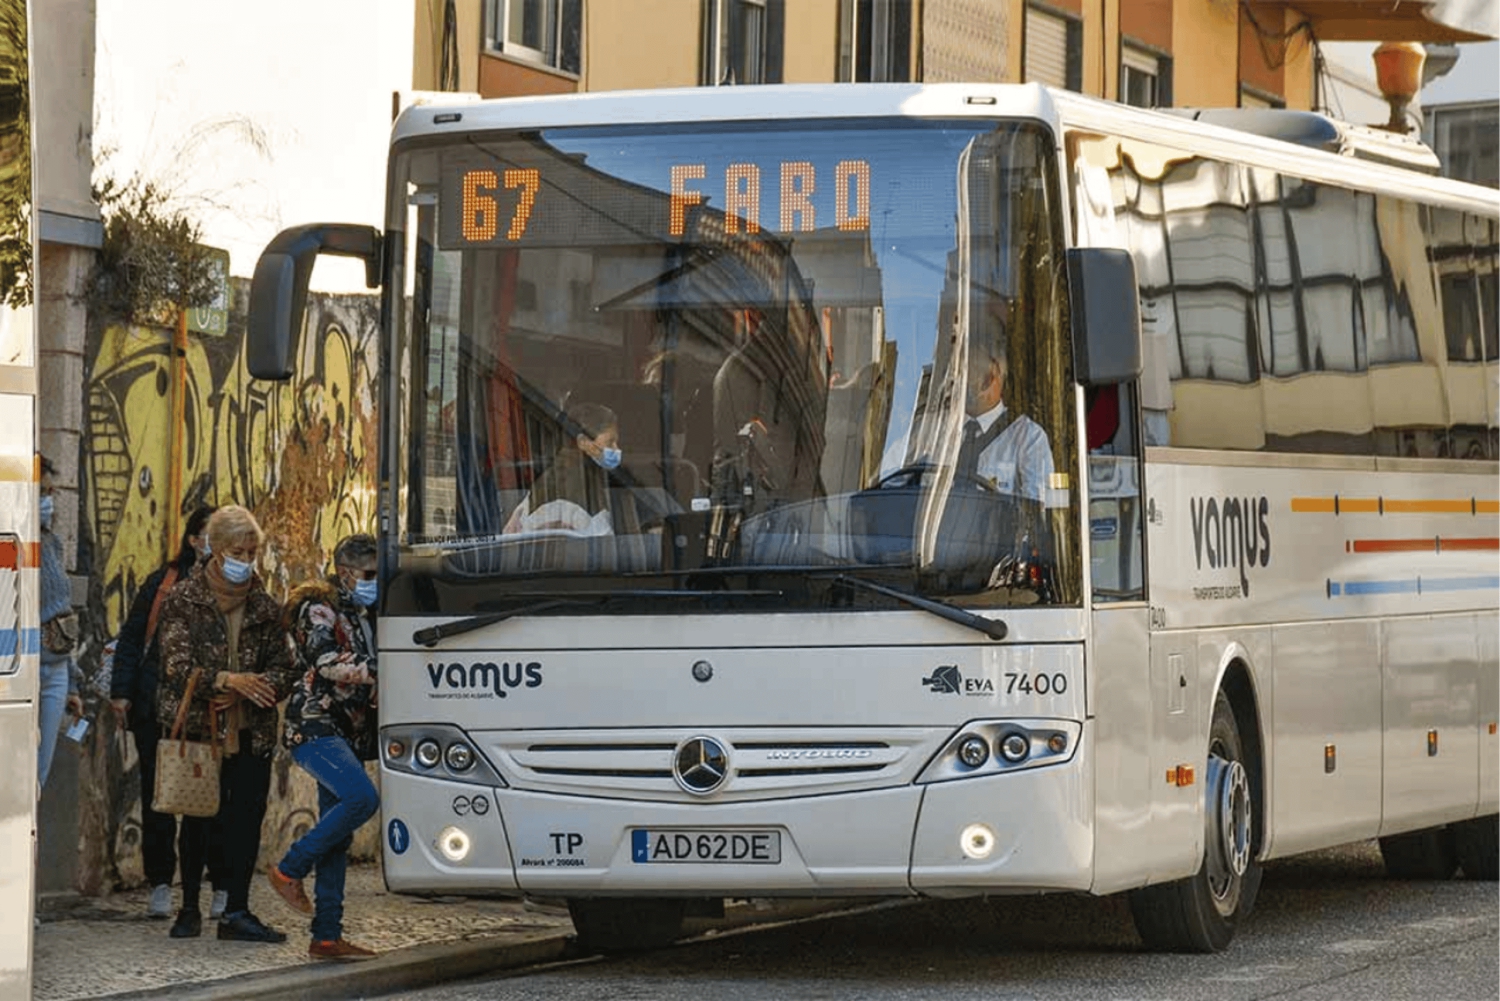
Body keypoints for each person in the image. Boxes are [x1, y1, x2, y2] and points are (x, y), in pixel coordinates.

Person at [155, 505, 294, 942]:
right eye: (238, 552)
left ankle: (237, 909)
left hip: (251, 730)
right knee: (197, 819)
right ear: (215, 549)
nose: (246, 560)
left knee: (245, 820)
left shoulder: (264, 605)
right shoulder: (184, 599)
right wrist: (225, 680)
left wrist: (255, 687)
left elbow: (285, 668)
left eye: (252, 552)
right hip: (202, 729)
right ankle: (189, 907)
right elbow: (175, 665)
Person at [109, 506, 228, 921]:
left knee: (208, 800)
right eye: (210, 534)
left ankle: (212, 883)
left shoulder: (233, 587)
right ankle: (160, 881)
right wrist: (121, 693)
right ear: (194, 540)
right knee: (157, 797)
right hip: (154, 705)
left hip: (209, 710)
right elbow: (131, 638)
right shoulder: (162, 583)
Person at [267, 533, 381, 961]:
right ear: (346, 572)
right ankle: (288, 869)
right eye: (369, 574)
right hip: (315, 726)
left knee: (338, 837)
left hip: (344, 731)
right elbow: (326, 661)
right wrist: (382, 668)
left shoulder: (364, 612)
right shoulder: (319, 607)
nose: (374, 581)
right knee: (362, 799)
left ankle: (327, 937)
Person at [958, 329, 1054, 503]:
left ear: (989, 378)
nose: (955, 379)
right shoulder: (932, 430)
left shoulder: (1029, 438)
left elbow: (1039, 509)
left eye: (964, 372)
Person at [502, 403, 623, 535]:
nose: (616, 449)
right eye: (610, 442)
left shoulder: (577, 476)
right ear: (583, 442)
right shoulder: (568, 489)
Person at [37, 455, 83, 792]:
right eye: (42, 492)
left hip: (56, 668)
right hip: (23, 668)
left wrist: (72, 686)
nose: (49, 500)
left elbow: (62, 614)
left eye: (51, 492)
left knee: (40, 774)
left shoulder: (51, 543)